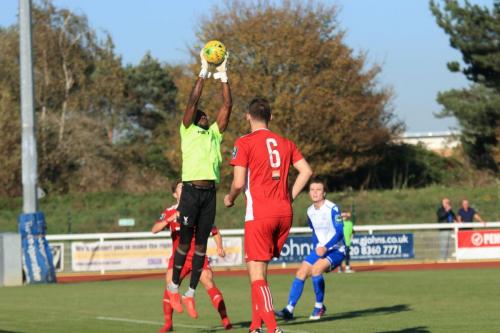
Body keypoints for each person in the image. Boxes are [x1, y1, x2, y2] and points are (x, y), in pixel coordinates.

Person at [224, 98, 313, 333]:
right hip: (284, 213)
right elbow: (306, 171)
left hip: (260, 214)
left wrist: (230, 198)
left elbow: (239, 182)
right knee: (260, 272)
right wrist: (290, 196)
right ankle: (255, 326)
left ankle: (273, 329)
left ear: (247, 116)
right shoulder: (285, 143)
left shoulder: (244, 142)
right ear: (271, 117)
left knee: (256, 275)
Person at [166, 49, 232, 318]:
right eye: (201, 114)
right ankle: (172, 287)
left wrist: (224, 75)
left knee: (201, 247)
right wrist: (204, 72)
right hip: (191, 190)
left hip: (210, 193)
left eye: (205, 115)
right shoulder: (188, 130)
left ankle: (190, 293)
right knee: (184, 242)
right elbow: (193, 100)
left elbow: (227, 107)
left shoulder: (214, 133)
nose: (204, 116)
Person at [153, 181, 232, 332]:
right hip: (179, 258)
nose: (184, 190)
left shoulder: (197, 209)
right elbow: (154, 229)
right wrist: (168, 220)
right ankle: (168, 323)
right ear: (175, 194)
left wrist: (220, 247)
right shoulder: (169, 211)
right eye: (180, 188)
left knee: (208, 281)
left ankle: (225, 319)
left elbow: (214, 231)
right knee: (169, 283)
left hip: (197, 256)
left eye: (185, 187)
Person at [275, 179, 345, 321]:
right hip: (320, 250)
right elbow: (314, 232)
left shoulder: (333, 208)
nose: (315, 192)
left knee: (316, 270)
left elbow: (340, 232)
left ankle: (319, 307)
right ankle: (289, 310)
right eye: (312, 190)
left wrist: (325, 247)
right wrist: (317, 248)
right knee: (301, 272)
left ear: (324, 193)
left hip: (336, 250)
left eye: (318, 190)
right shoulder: (310, 211)